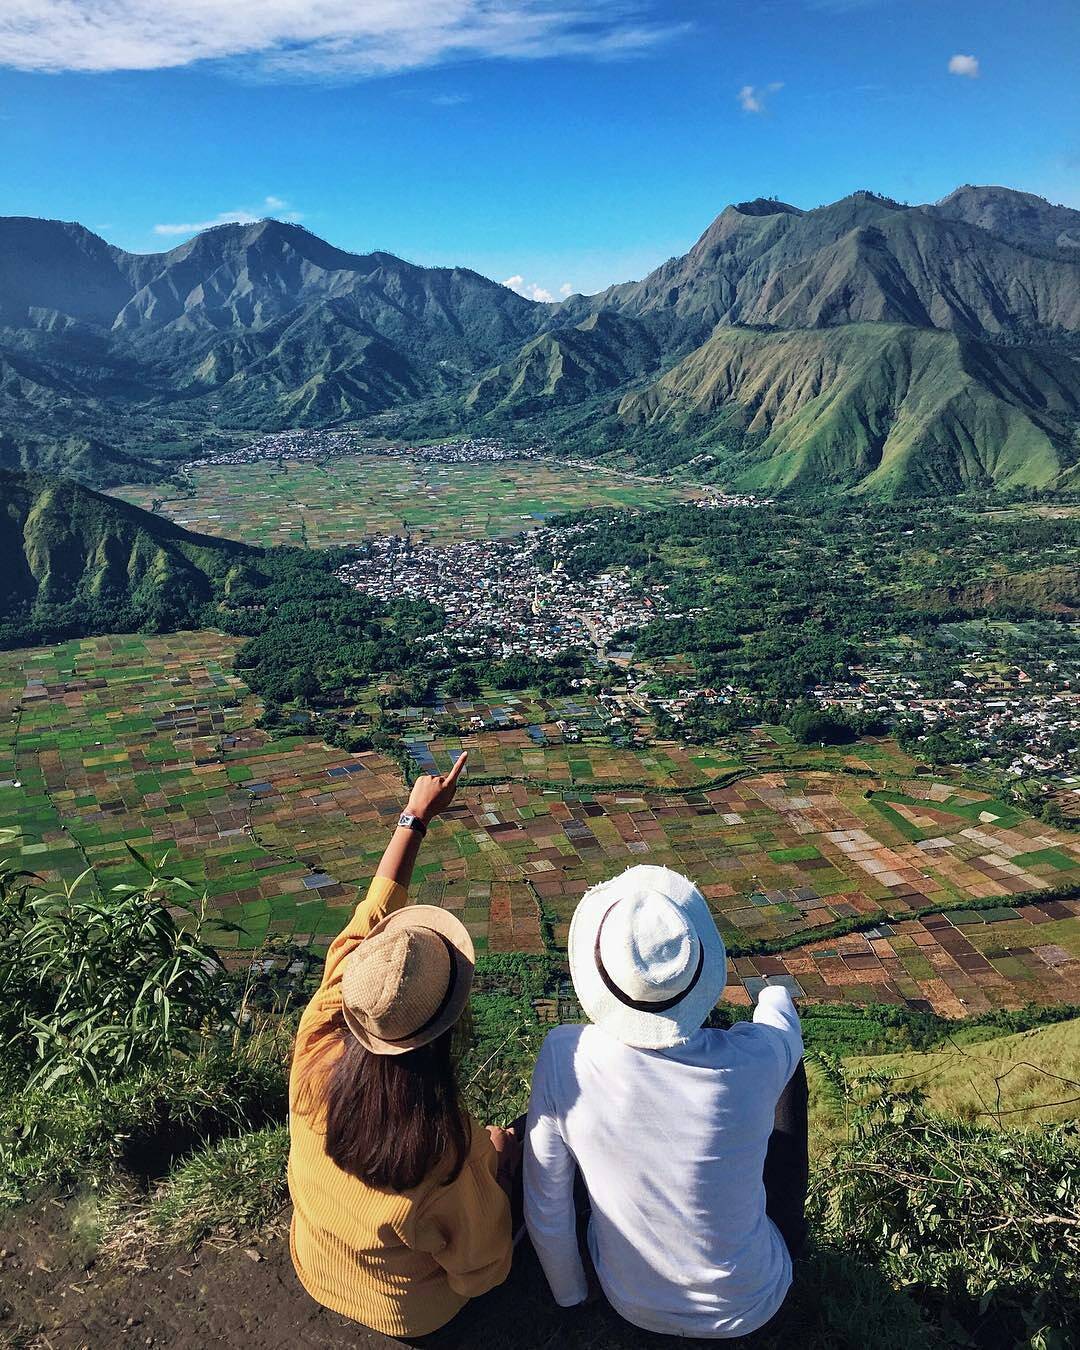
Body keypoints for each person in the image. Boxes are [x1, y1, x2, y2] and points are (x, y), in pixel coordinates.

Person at [288, 752, 519, 1340]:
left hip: (317, 1266)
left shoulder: (318, 1034)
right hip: (409, 1313)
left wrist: (414, 816)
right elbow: (481, 1269)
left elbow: (372, 913)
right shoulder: (443, 1145)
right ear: (446, 1025)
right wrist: (495, 1160)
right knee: (513, 1152)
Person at [524, 863, 808, 1339]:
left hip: (630, 1303)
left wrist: (571, 1294)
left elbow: (546, 1204)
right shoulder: (753, 1060)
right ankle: (791, 1230)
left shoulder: (564, 1056)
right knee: (787, 1073)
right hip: (753, 1301)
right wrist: (772, 993)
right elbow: (783, 1027)